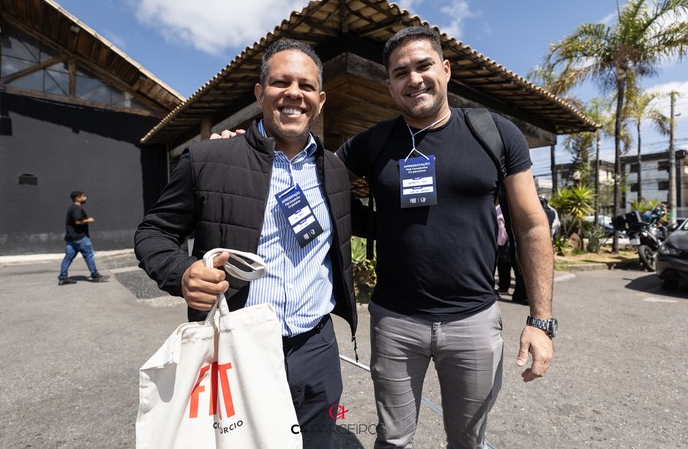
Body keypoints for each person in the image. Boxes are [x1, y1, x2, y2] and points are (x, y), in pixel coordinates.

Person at [335, 26, 555, 449]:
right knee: (393, 440)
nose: (414, 79)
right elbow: (314, 177)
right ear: (389, 84)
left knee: (468, 442)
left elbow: (531, 224)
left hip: (474, 322)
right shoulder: (374, 142)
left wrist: (540, 321)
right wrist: (244, 147)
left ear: (446, 69)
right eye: (400, 73)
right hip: (395, 322)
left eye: (424, 66)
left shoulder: (494, 133)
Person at [134, 39, 357, 449]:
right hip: (236, 347)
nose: (294, 94)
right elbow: (153, 232)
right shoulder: (208, 159)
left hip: (317, 348)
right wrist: (181, 272)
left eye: (306, 86)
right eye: (281, 82)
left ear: (320, 99)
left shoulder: (335, 170)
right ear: (260, 92)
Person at [58, 191, 109, 285]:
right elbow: (77, 222)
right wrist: (89, 220)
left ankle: (63, 277)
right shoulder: (77, 208)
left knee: (68, 258)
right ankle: (95, 275)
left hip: (71, 238)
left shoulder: (72, 208)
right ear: (78, 198)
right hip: (80, 238)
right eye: (83, 196)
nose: (85, 198)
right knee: (89, 255)